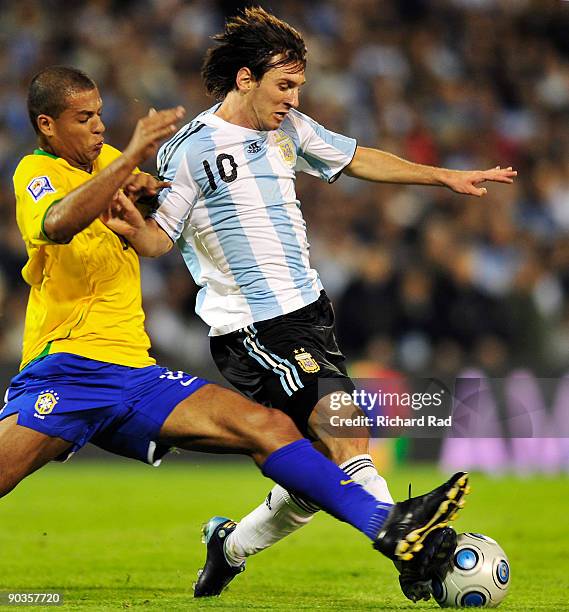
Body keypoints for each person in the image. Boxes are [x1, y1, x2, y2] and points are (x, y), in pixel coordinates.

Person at [0, 66, 471, 595]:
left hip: (135, 372)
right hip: (66, 371)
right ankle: (385, 524)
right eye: (84, 118)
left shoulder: (115, 163)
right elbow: (59, 223)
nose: (99, 128)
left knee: (271, 430)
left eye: (101, 115)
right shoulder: (33, 173)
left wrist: (152, 190)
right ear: (46, 124)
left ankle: (387, 526)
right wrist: (133, 159)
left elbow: (154, 227)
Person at [100, 6, 506, 601]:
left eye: (298, 86)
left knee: (315, 469)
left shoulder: (288, 127)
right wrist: (125, 222)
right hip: (253, 326)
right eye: (283, 85)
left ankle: (230, 546)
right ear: (246, 79)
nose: (292, 97)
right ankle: (410, 548)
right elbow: (161, 239)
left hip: (310, 314)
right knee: (347, 428)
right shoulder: (191, 150)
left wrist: (443, 176)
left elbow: (357, 157)